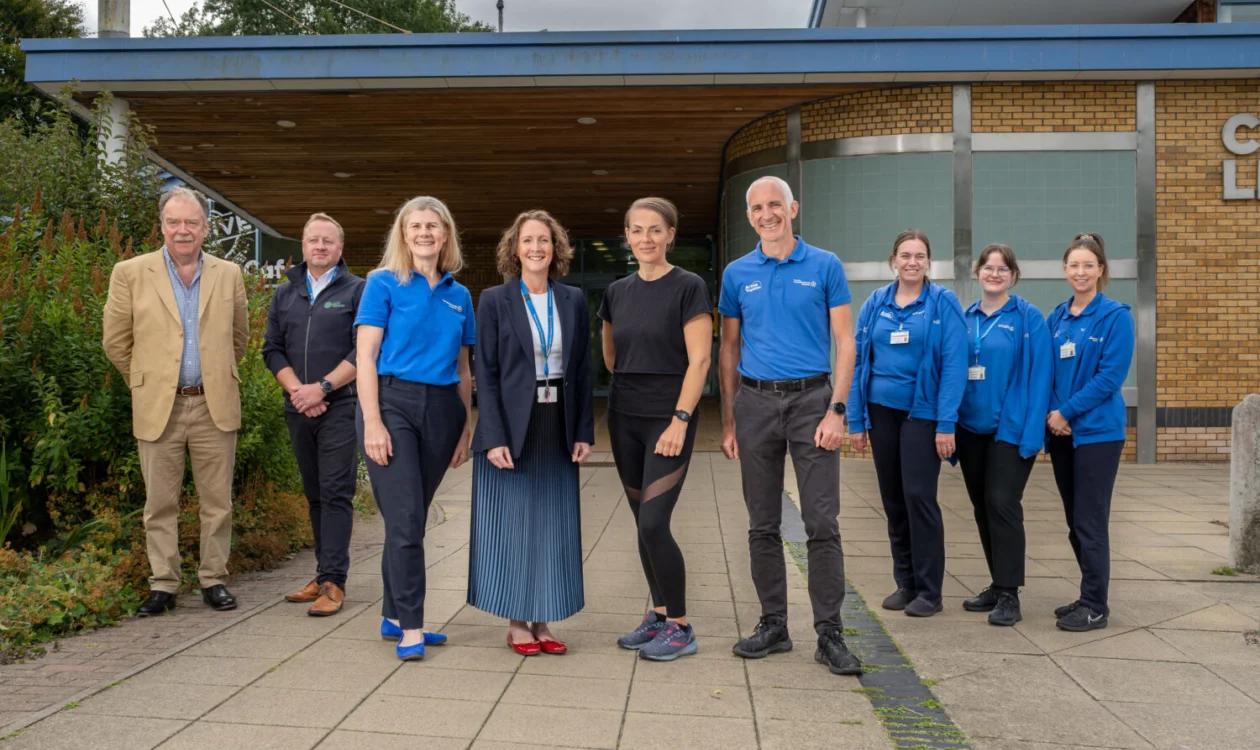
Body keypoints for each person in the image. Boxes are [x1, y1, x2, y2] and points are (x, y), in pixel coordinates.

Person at [719, 176, 862, 676]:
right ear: (750, 216)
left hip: (812, 401)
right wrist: (731, 419)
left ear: (793, 208)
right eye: (757, 208)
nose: (766, 214)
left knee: (821, 522)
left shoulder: (825, 265)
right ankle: (774, 625)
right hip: (756, 403)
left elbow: (845, 343)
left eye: (774, 205)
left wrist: (837, 410)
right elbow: (730, 348)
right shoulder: (737, 273)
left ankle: (830, 634)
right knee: (762, 522)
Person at [102, 186, 248, 616]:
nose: (182, 230)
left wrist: (214, 374)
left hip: (212, 403)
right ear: (161, 227)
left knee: (217, 503)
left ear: (205, 228)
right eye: (174, 222)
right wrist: (146, 383)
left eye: (191, 223)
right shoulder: (129, 272)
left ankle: (213, 580)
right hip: (158, 407)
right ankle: (163, 584)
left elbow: (238, 339)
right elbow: (116, 342)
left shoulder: (229, 274)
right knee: (159, 504)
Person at [468, 210, 594, 656]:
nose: (536, 248)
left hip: (556, 421)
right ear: (515, 249)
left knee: (553, 524)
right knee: (514, 524)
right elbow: (486, 370)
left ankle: (544, 619)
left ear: (555, 248)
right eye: (528, 241)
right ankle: (517, 621)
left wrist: (583, 429)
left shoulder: (573, 299)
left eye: (544, 240)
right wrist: (494, 435)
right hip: (511, 426)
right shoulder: (494, 300)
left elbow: (581, 368)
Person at [355, 196, 474, 660]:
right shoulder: (382, 284)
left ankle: (391, 613)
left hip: (444, 410)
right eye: (415, 226)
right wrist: (373, 422)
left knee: (411, 517)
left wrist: (464, 430)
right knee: (405, 521)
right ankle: (412, 626)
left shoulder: (458, 294)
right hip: (393, 403)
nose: (424, 233)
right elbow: (365, 356)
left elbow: (464, 370)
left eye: (433, 226)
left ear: (445, 235)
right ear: (403, 235)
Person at [602, 197, 712, 662]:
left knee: (654, 521)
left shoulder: (689, 287)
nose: (645, 239)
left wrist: (680, 420)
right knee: (640, 525)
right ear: (627, 236)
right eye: (636, 230)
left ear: (670, 234)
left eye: (655, 230)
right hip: (624, 417)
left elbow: (700, 359)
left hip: (669, 420)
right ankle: (661, 612)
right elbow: (609, 354)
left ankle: (681, 627)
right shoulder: (616, 291)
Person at [847, 229, 967, 618]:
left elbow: (954, 365)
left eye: (919, 256)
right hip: (881, 412)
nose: (912, 262)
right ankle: (906, 582)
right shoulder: (876, 303)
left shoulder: (942, 303)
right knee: (893, 500)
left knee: (919, 496)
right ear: (893, 260)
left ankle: (930, 590)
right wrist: (854, 418)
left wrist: (946, 422)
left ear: (928, 262)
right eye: (905, 255)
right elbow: (858, 361)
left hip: (923, 414)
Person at [263, 212, 365, 617]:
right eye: (312, 240)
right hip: (298, 407)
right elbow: (272, 349)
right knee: (314, 495)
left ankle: (335, 583)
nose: (320, 246)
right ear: (303, 246)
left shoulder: (359, 290)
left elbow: (364, 351)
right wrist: (299, 392)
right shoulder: (285, 293)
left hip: (341, 405)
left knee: (336, 493)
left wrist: (322, 388)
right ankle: (322, 574)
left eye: (328, 241)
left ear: (340, 248)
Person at [954, 244, 1051, 627]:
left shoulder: (1028, 318)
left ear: (1013, 275)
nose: (994, 274)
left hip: (1010, 429)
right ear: (978, 272)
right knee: (982, 506)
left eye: (1002, 268)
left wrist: (1032, 434)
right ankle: (997, 582)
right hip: (970, 428)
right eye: (988, 267)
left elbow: (1041, 376)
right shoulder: (966, 318)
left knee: (1002, 502)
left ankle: (1010, 594)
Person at [1046, 232, 1133, 632]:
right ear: (1065, 271)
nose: (1081, 272)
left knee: (1090, 521)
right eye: (1074, 265)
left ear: (1101, 270)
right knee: (1074, 520)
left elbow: (1109, 378)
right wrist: (1051, 417)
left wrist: (1065, 411)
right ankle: (1087, 594)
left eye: (1088, 265)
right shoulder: (1056, 318)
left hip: (1097, 434)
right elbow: (1046, 372)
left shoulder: (1116, 316)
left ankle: (1096, 605)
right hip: (1062, 435)